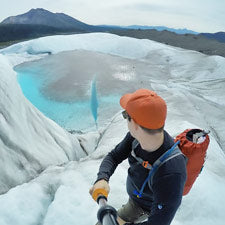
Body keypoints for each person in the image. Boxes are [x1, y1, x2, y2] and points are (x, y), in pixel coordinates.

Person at [89, 89, 187, 225]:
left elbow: (158, 223)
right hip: (136, 199)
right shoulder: (136, 138)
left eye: (125, 115)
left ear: (134, 124)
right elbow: (113, 157)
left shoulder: (172, 173)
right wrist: (102, 178)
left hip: (146, 207)